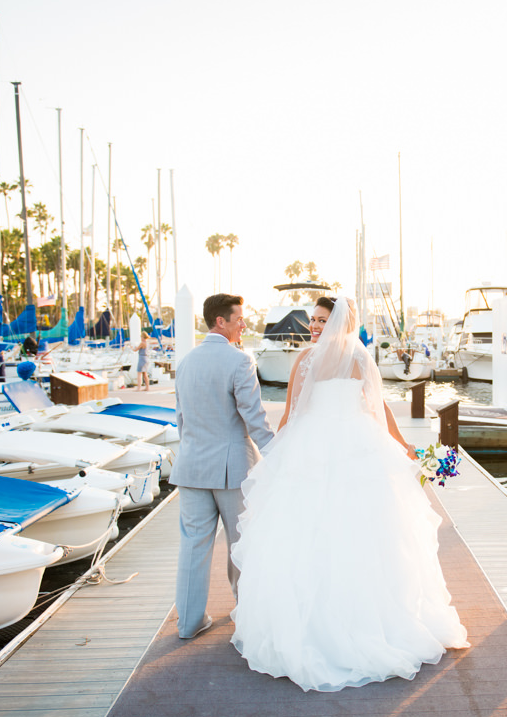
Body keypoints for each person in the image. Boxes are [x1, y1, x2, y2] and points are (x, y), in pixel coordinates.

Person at [230, 295, 468, 691]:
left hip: (327, 445)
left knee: (358, 534)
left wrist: (405, 445)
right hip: (348, 443)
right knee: (321, 535)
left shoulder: (313, 359)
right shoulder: (350, 357)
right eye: (312, 321)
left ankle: (358, 623)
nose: (315, 327)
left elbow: (373, 409)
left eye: (321, 320)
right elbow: (296, 412)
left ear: (338, 321)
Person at [170, 294, 275, 639]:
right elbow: (254, 418)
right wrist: (277, 454)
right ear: (221, 321)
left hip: (191, 467)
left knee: (193, 546)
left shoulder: (185, 362)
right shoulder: (239, 361)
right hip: (232, 469)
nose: (244, 324)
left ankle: (188, 623)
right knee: (240, 543)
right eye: (239, 319)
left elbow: (182, 420)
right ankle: (245, 614)